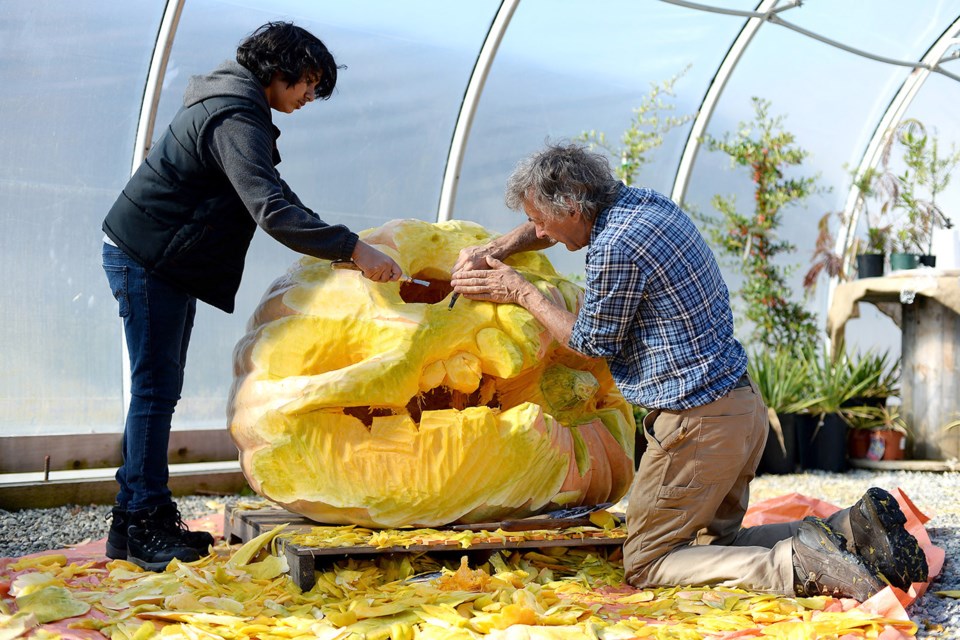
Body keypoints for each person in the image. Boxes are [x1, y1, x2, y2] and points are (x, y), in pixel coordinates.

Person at [450, 142, 928, 599]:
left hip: (696, 426)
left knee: (647, 561)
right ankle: (853, 528)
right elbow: (551, 225)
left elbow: (592, 341)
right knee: (711, 550)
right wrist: (501, 246)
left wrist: (520, 290)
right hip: (741, 411)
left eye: (540, 221)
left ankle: (799, 565)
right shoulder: (643, 204)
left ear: (573, 208)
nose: (543, 234)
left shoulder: (615, 245)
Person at [101, 22, 402, 571]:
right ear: (279, 69)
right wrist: (355, 249)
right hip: (148, 256)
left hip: (161, 256)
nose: (310, 96)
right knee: (155, 387)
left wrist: (340, 242)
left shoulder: (240, 104)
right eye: (308, 83)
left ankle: (132, 522)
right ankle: (143, 522)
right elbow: (270, 210)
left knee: (158, 387)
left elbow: (274, 191)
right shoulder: (237, 115)